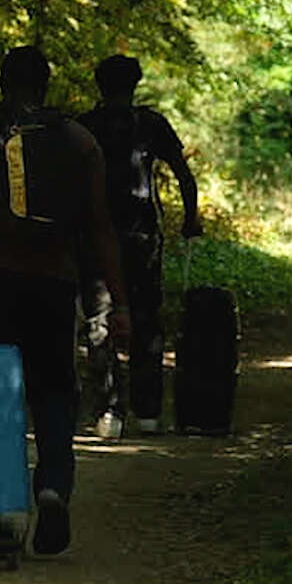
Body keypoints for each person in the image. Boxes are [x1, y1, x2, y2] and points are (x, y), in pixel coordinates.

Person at [0, 45, 129, 556]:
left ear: (1, 82)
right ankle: (52, 488)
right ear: (47, 84)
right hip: (55, 283)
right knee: (55, 391)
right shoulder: (78, 141)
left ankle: (1, 503)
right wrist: (121, 302)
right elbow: (101, 226)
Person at [76, 55, 202, 436]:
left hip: (94, 238)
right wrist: (189, 218)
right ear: (136, 84)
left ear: (99, 85)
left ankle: (109, 413)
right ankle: (147, 412)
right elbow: (183, 174)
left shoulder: (83, 128)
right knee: (146, 318)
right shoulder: (150, 124)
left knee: (99, 321)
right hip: (142, 234)